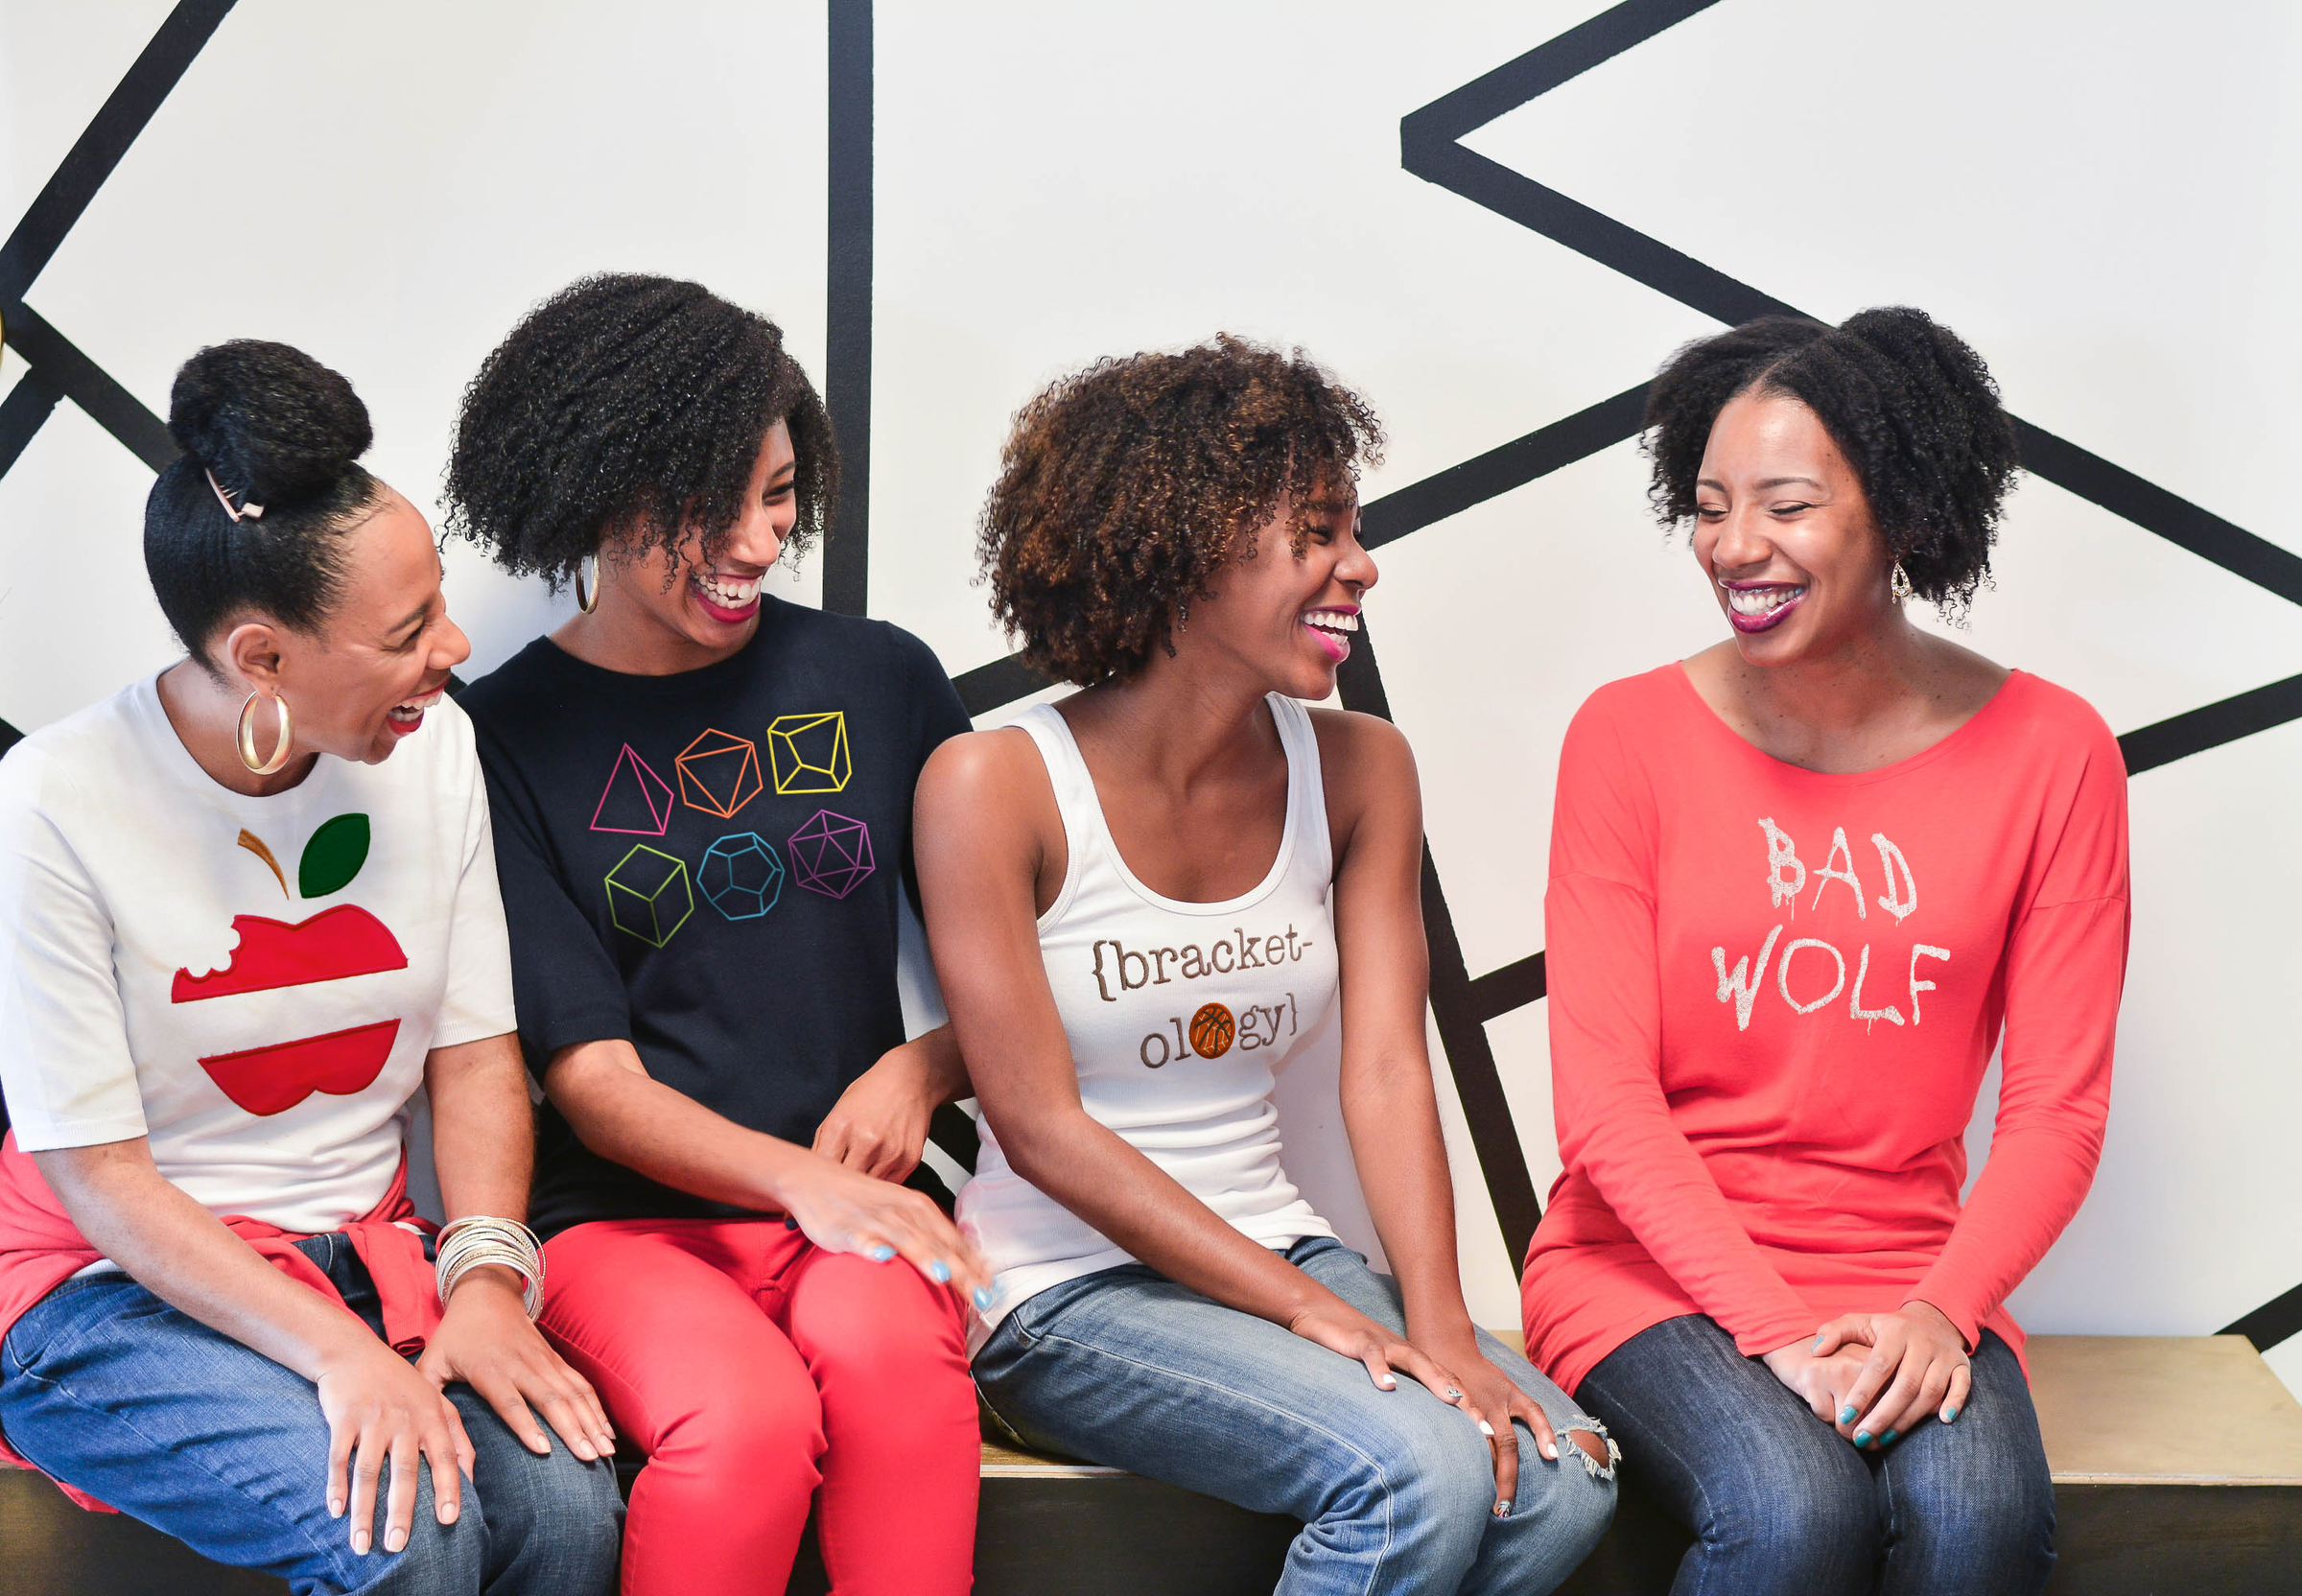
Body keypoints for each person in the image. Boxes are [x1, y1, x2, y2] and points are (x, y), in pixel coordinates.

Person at [920, 336, 1618, 1596]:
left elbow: (1393, 1071)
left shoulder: (1360, 769)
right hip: (1062, 1293)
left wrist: (1440, 1324)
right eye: (1317, 531)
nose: (1362, 566)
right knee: (1419, 1468)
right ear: (1183, 548)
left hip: (1283, 1246)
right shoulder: (992, 782)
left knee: (1562, 1475)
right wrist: (1317, 1317)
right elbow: (1037, 1127)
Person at [0, 341, 622, 1596]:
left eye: (439, 599)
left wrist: (489, 1278)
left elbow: (475, 1055)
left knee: (566, 1517)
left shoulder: (435, 753)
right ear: (262, 659)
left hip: (366, 1252)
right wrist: (342, 1358)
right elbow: (103, 1179)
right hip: (107, 1288)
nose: (453, 647)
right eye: (407, 633)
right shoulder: (55, 801)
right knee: (409, 1531)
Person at [1521, 307, 2127, 1596]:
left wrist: (1941, 1308)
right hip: (1647, 1273)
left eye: (1786, 506)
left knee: (1978, 1530)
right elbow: (1606, 1113)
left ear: (1900, 515)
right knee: (1792, 1513)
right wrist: (1777, 1335)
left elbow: (2057, 1113)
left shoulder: (2054, 753)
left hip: (1909, 1268)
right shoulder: (1625, 739)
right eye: (1709, 505)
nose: (1736, 548)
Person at [445, 273, 989, 1596]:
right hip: (621, 1225)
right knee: (743, 1428)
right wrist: (799, 1179)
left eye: (780, 493)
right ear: (594, 487)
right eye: (706, 505)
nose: (754, 540)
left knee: (894, 1384)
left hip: (852, 1206)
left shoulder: (881, 680)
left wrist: (923, 1068)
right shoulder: (500, 739)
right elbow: (593, 1082)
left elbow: (1021, 973)